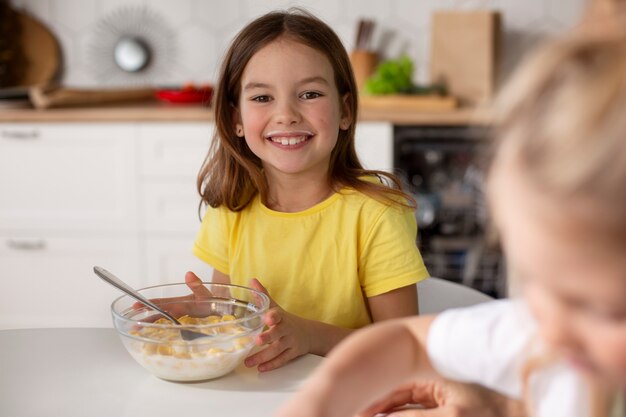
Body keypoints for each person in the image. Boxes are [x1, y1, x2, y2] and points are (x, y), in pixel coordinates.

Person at [273, 2, 626, 416]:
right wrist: (318, 403)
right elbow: (408, 340)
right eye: (536, 283)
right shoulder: (542, 335)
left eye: (604, 310)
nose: (555, 329)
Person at [186, 8, 429, 373]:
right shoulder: (230, 208)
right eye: (262, 98)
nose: (286, 114)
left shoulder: (377, 215)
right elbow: (231, 321)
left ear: (345, 110)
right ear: (236, 119)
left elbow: (403, 349)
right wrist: (202, 316)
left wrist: (309, 336)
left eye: (310, 93)